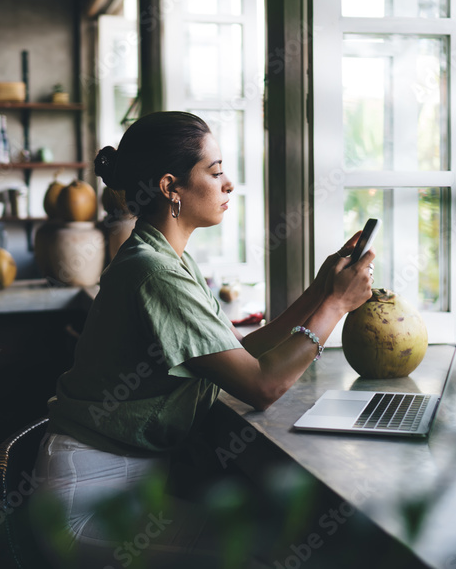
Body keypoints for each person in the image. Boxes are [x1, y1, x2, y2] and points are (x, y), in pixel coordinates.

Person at [31, 111, 375, 568]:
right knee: (273, 552)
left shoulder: (166, 257)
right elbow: (261, 385)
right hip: (89, 503)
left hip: (121, 484)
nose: (228, 184)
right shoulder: (154, 272)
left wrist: (319, 290)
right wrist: (335, 306)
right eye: (215, 173)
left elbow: (241, 352)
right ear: (171, 187)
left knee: (280, 540)